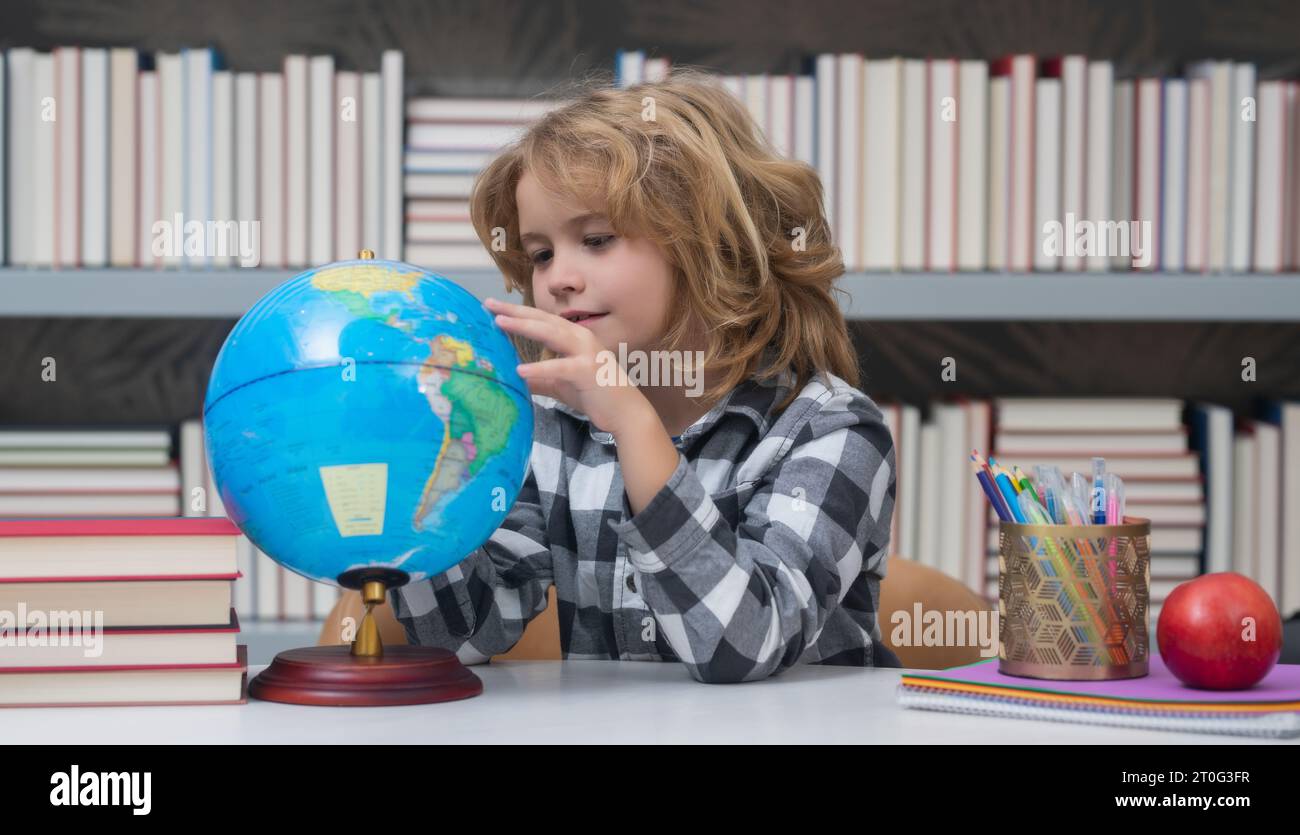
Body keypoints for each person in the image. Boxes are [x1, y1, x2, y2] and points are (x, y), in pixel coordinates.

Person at [390, 69, 899, 683]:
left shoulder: (830, 431)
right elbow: (464, 632)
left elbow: (744, 644)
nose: (557, 279)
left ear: (711, 246)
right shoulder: (553, 430)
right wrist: (426, 480)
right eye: (541, 253)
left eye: (597, 239)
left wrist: (633, 423)